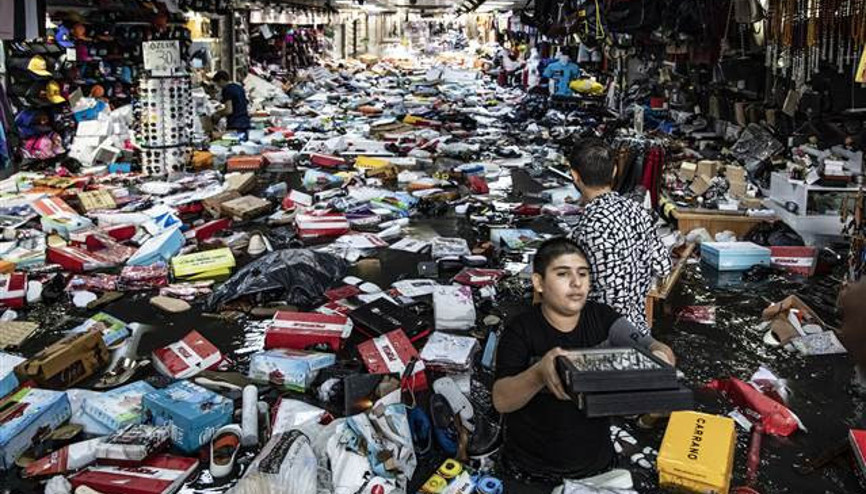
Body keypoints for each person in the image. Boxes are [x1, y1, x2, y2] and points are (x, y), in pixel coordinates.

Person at [493, 237, 675, 493]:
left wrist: (661, 360)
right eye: (562, 274)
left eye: (583, 274)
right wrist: (537, 374)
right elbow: (501, 400)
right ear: (539, 282)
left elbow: (652, 345)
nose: (577, 283)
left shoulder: (602, 318)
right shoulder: (521, 330)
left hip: (597, 466)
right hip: (531, 472)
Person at [569, 139, 672, 338]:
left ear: (575, 176)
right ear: (615, 170)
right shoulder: (638, 210)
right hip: (640, 332)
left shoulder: (591, 225)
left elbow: (611, 299)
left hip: (604, 339)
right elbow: (664, 266)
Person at [211, 70, 250, 138]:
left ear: (221, 80)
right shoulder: (238, 87)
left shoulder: (227, 90)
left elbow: (229, 110)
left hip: (235, 124)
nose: (218, 86)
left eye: (218, 83)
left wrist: (217, 114)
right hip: (245, 122)